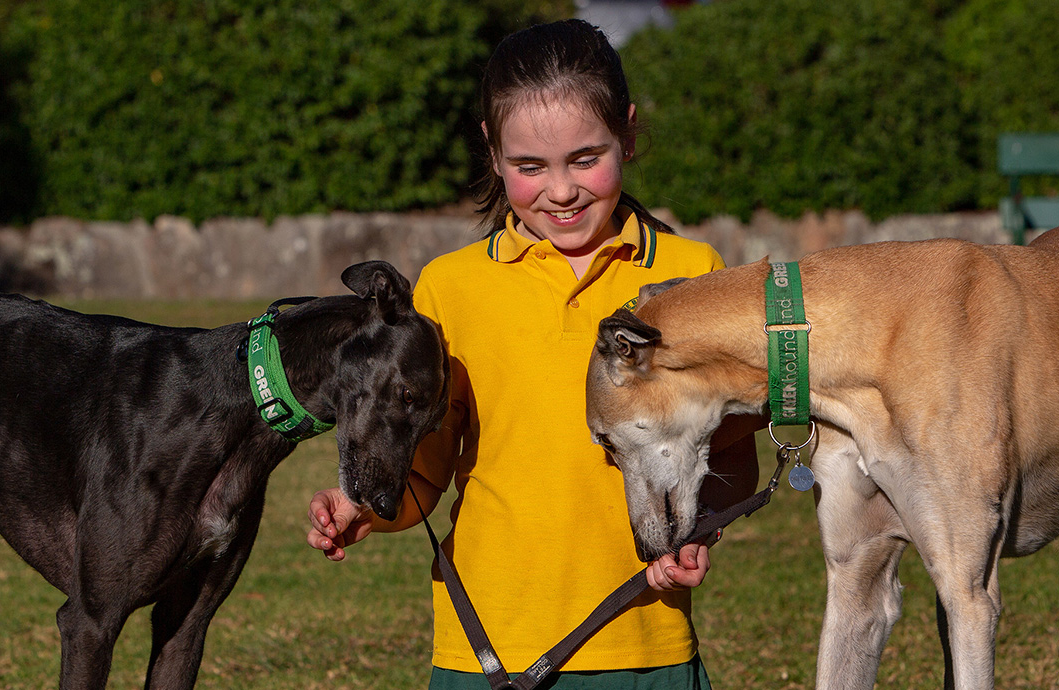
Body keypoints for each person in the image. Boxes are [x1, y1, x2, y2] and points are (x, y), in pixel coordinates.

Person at [306, 18, 759, 689]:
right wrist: (366, 507)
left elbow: (731, 459)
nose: (563, 190)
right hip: (484, 652)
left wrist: (695, 534)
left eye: (585, 158)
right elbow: (424, 473)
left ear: (628, 134)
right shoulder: (451, 288)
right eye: (529, 167)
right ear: (492, 153)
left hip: (644, 644)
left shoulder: (697, 276)